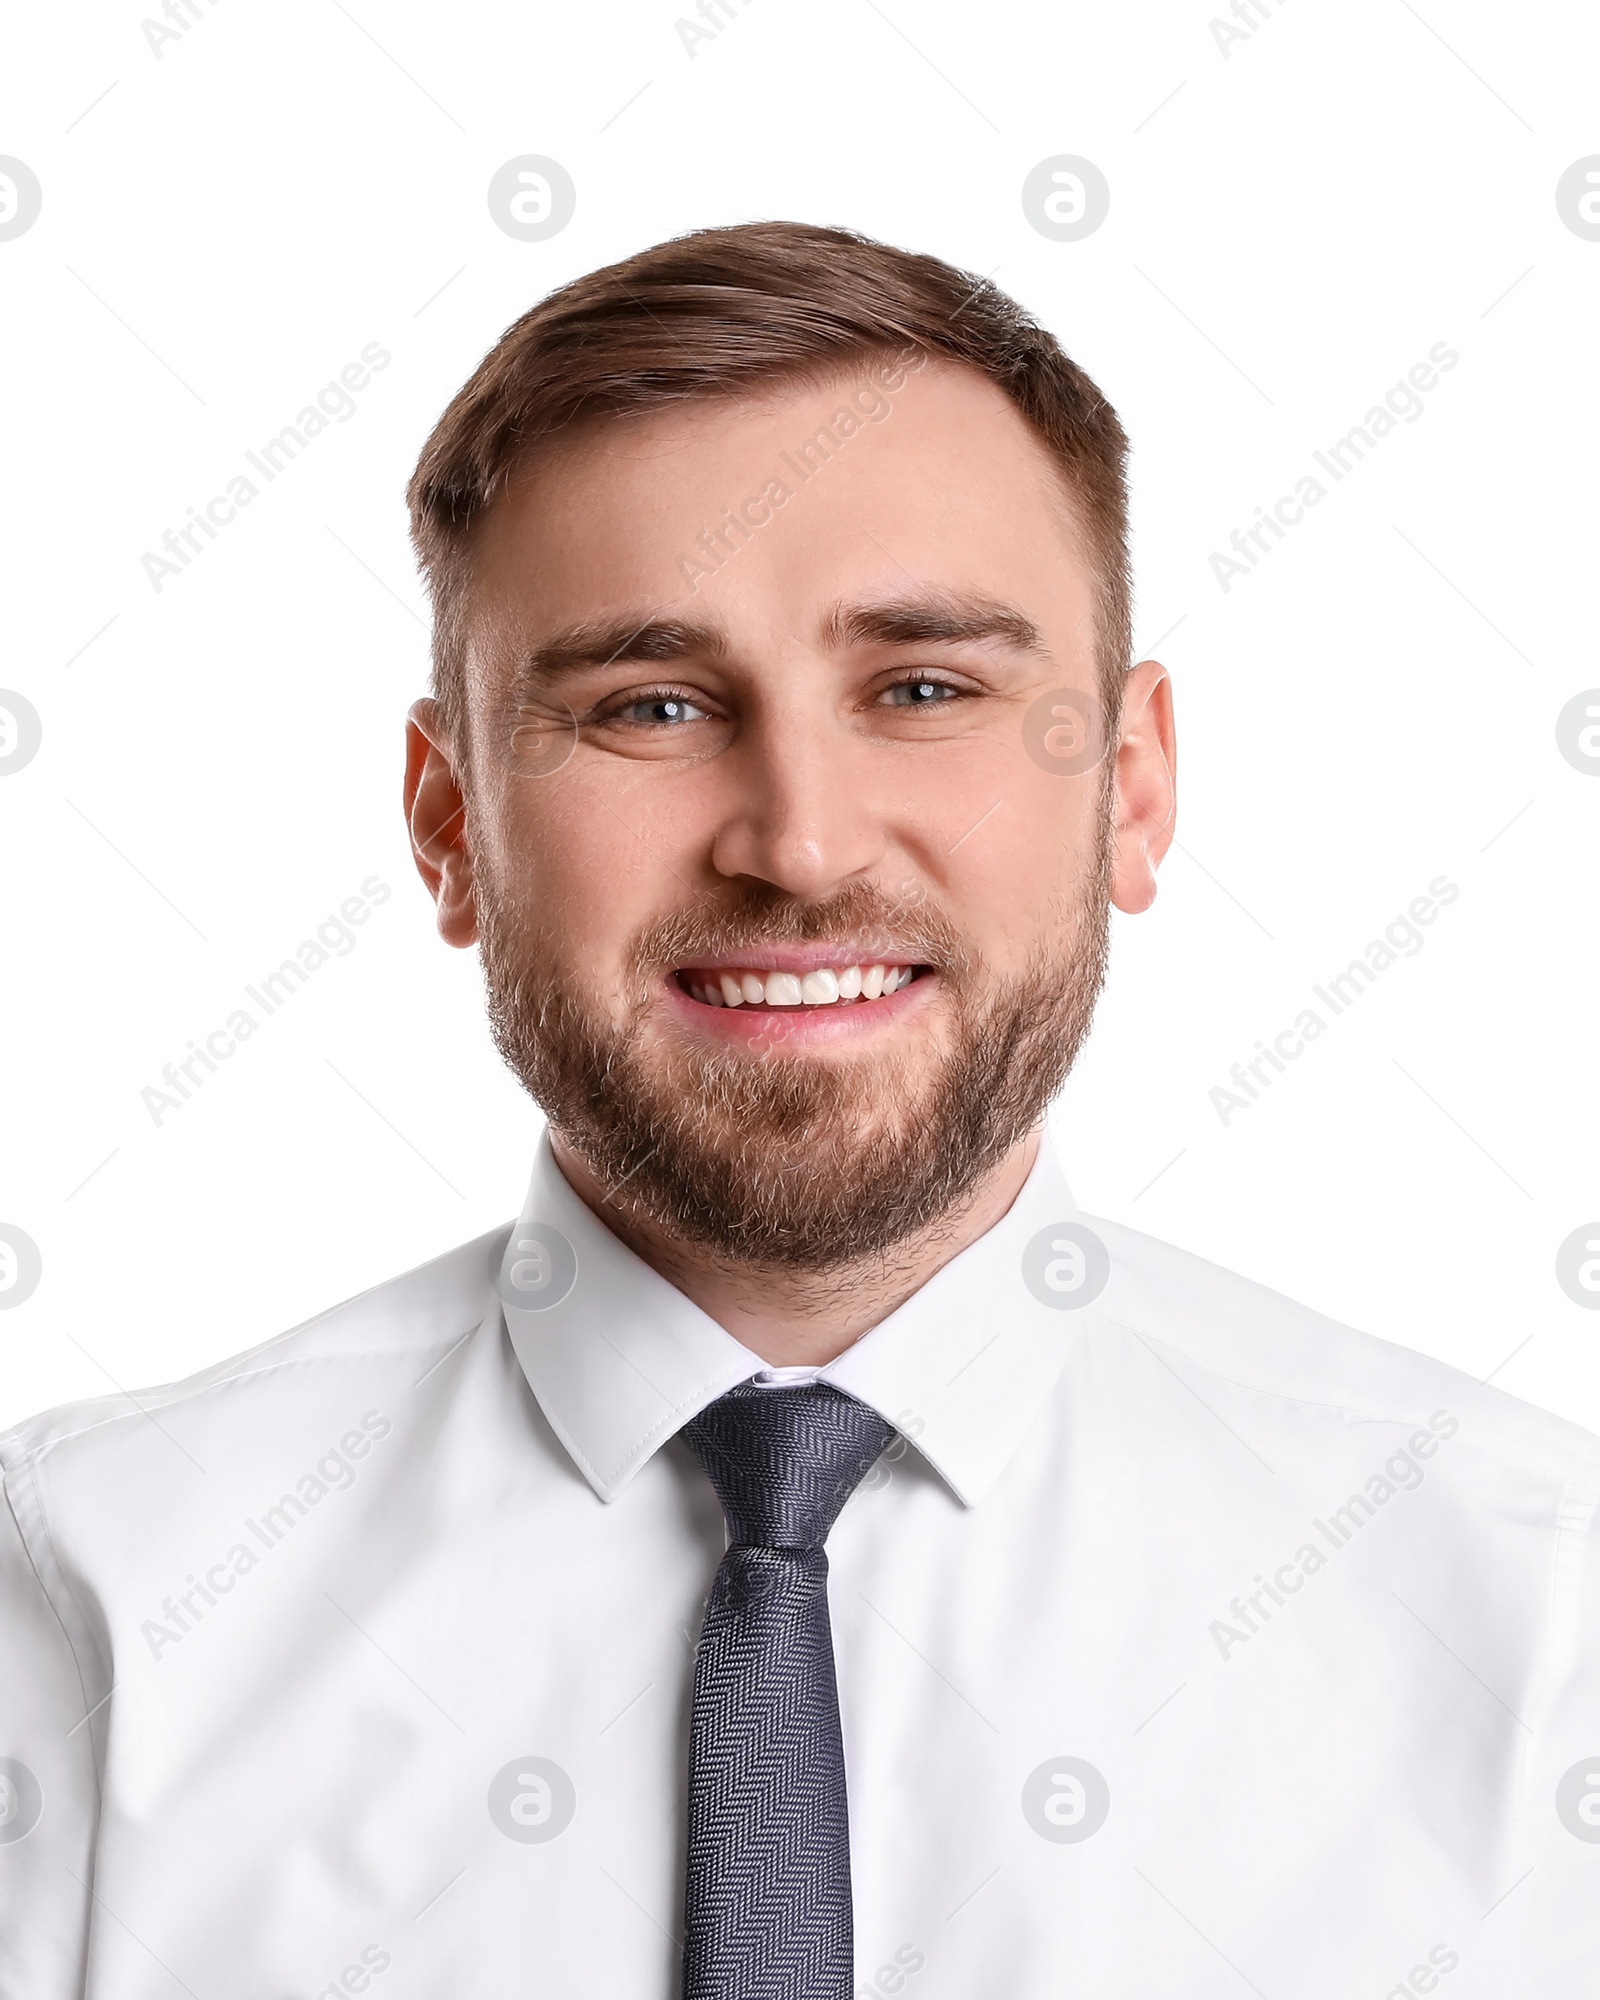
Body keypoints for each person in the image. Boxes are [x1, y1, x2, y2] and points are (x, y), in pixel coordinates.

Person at [2, 222, 1595, 1999]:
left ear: (1132, 788)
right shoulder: (83, 1612)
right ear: (447, 824)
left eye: (924, 689)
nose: (803, 843)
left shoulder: (1538, 1628)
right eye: (652, 706)